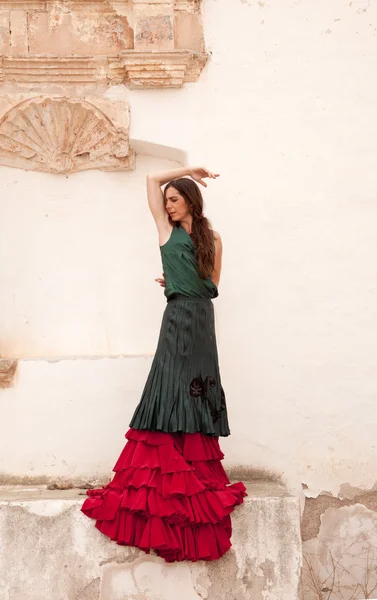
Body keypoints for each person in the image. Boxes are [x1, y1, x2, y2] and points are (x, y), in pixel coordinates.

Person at [81, 166, 246, 562]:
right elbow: (152, 181)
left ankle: (195, 466)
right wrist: (188, 171)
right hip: (175, 318)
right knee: (168, 384)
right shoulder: (164, 230)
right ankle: (167, 467)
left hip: (201, 318)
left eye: (175, 199)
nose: (168, 205)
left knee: (197, 387)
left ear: (190, 200)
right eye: (168, 200)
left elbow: (213, 284)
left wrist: (182, 277)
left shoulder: (213, 238)